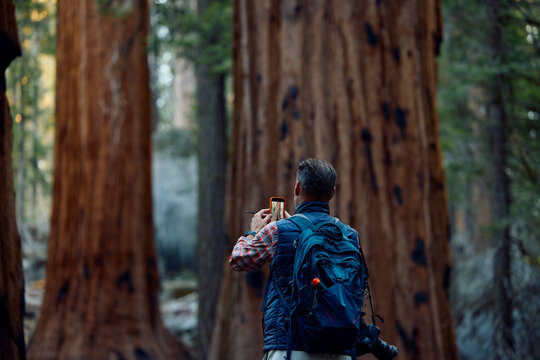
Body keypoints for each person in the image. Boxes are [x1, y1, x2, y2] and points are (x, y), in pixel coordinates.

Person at [229, 158, 361, 360]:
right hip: (340, 347)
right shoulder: (350, 235)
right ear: (332, 192)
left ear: (298, 187)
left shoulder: (278, 230)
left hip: (290, 344)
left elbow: (239, 259)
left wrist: (253, 232)